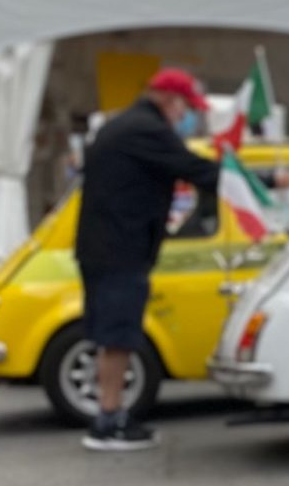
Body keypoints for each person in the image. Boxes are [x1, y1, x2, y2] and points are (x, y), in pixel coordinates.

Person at [74, 68, 222, 451]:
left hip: (107, 246)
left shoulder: (123, 124)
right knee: (118, 336)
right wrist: (261, 183)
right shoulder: (146, 129)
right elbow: (197, 170)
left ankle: (110, 415)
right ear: (169, 100)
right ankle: (108, 422)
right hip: (120, 249)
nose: (187, 117)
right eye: (187, 108)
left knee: (113, 337)